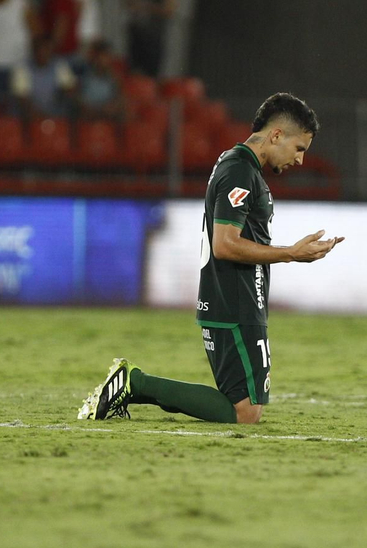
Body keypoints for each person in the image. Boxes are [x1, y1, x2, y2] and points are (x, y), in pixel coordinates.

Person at [79, 93, 342, 425]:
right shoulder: (239, 171)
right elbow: (225, 244)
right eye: (299, 148)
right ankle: (135, 382)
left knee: (247, 408)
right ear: (276, 135)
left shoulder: (239, 166)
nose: (300, 160)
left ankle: (134, 383)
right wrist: (291, 253)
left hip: (238, 299)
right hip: (234, 301)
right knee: (245, 412)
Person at [10, 34, 75, 116]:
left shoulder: (59, 65)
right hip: (28, 117)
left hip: (54, 115)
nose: (42, 53)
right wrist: (41, 117)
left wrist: (68, 93)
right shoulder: (22, 68)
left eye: (46, 49)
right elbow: (22, 99)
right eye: (39, 49)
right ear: (33, 50)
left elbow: (70, 89)